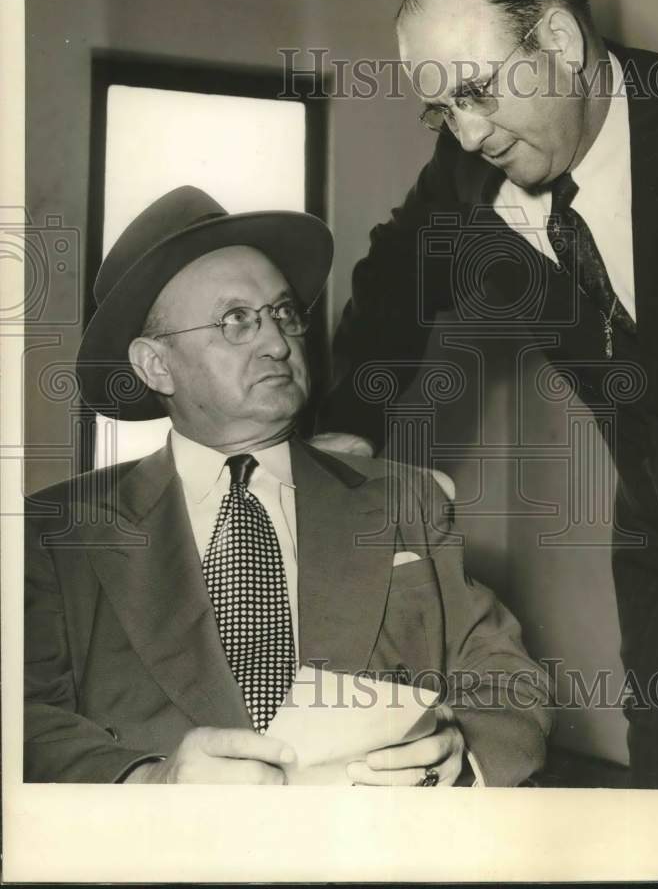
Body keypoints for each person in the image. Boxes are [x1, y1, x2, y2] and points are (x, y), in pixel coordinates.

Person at [315, 0, 658, 789]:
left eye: (474, 92)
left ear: (559, 38)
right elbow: (393, 284)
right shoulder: (465, 178)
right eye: (442, 111)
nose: (468, 135)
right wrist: (344, 437)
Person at [24, 184, 551, 786]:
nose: (278, 343)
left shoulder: (405, 501)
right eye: (236, 322)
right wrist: (148, 782)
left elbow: (507, 677)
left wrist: (463, 751)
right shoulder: (56, 532)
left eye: (283, 314)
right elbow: (24, 715)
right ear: (155, 365)